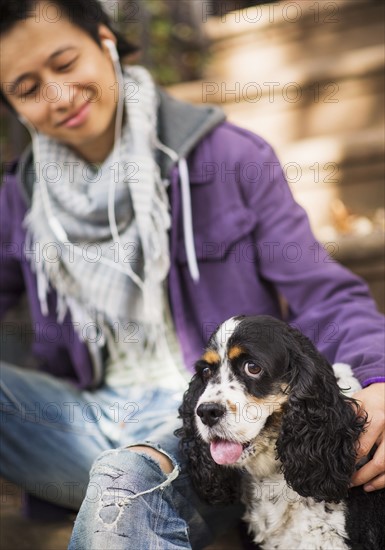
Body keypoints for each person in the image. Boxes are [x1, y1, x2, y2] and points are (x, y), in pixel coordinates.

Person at [0, 1, 384, 548]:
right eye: (26, 87)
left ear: (106, 42)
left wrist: (379, 376)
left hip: (209, 421)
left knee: (124, 480)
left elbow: (326, 296)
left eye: (64, 63)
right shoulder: (21, 199)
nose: (57, 95)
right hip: (77, 421)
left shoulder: (231, 157)